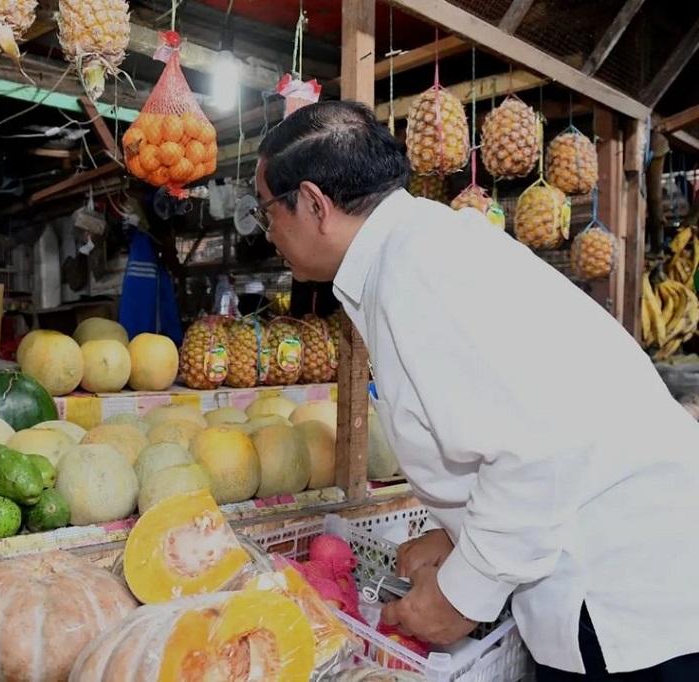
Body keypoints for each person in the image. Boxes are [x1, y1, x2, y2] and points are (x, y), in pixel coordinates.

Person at [252, 99, 699, 680]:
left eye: (266, 211)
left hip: (623, 597)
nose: (267, 232)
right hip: (627, 569)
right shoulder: (421, 249)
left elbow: (536, 450)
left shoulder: (421, 272)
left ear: (314, 204)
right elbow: (509, 420)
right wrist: (458, 532)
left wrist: (462, 594)